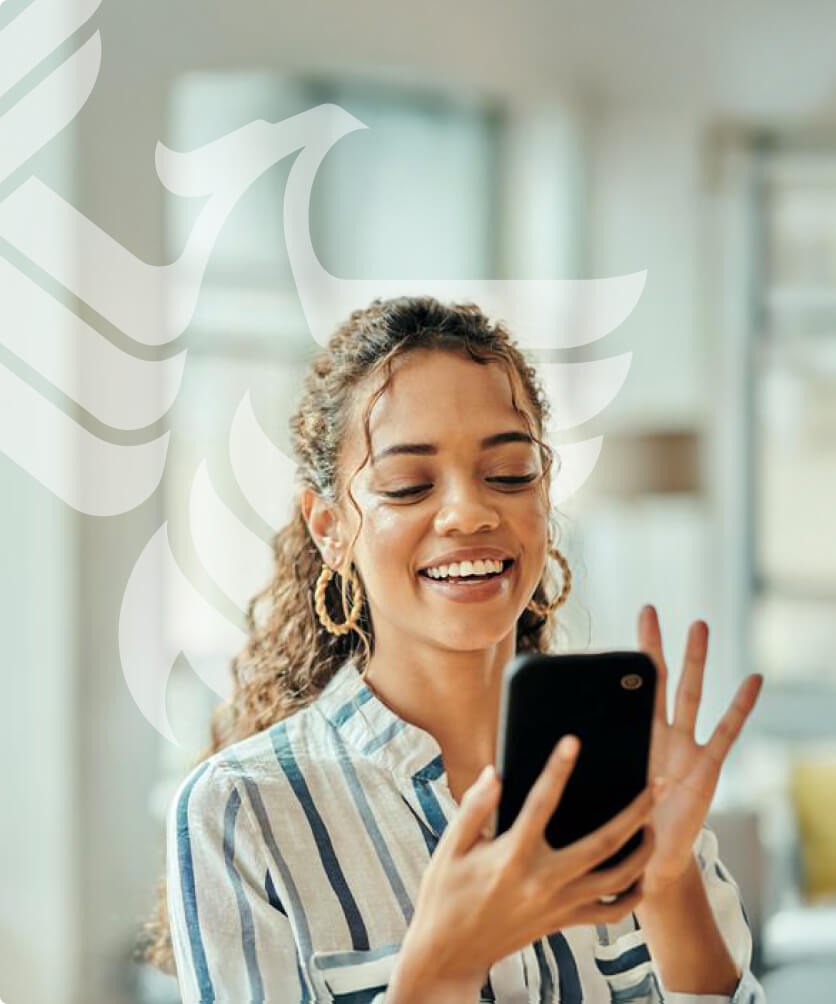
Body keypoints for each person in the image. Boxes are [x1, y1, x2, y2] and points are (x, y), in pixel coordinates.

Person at [137, 296, 766, 1003]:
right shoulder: (243, 811)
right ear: (328, 527)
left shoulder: (626, 774)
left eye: (509, 473)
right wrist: (440, 973)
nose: (470, 512)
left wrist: (671, 881)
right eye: (408, 485)